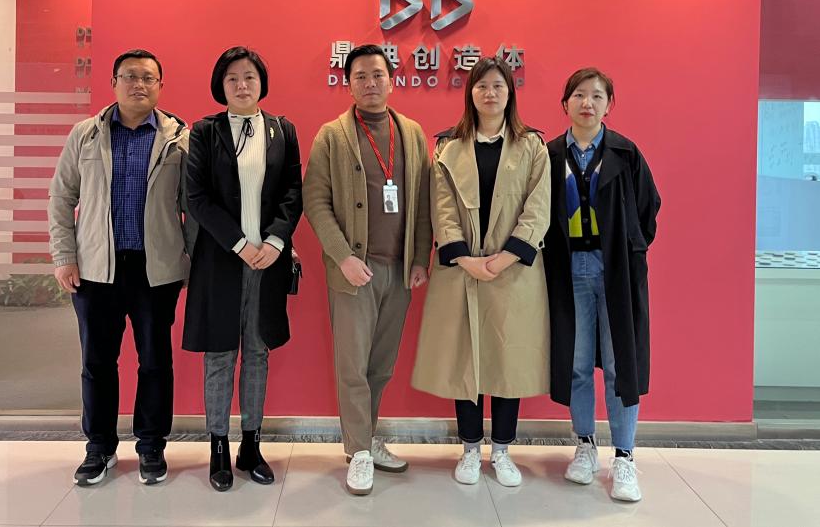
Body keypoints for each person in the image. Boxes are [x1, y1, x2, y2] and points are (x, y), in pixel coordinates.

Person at [49, 49, 195, 486]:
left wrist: (191, 261)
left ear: (160, 86)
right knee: (97, 362)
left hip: (156, 270)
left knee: (155, 361)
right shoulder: (86, 135)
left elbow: (192, 207)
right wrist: (64, 256)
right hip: (97, 270)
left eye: (148, 77)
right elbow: (61, 197)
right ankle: (99, 447)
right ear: (114, 83)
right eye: (130, 76)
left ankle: (151, 446)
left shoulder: (179, 139)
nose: (139, 84)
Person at [411, 56, 551, 487]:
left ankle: (503, 451)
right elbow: (441, 207)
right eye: (481, 86)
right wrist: (466, 258)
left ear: (510, 94)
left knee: (508, 361)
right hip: (463, 270)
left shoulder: (532, 146)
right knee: (465, 360)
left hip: (514, 272)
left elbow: (538, 208)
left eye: (498, 86)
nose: (490, 93)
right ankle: (470, 448)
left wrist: (504, 258)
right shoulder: (448, 147)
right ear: (470, 93)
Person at [303, 44, 432, 496]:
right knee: (352, 365)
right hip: (354, 270)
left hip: (399, 270)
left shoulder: (411, 133)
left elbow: (423, 200)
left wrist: (420, 257)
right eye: (360, 76)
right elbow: (315, 201)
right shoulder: (332, 136)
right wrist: (343, 256)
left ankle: (368, 437)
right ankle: (358, 451)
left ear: (391, 80)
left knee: (381, 365)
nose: (370, 83)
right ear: (348, 84)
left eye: (377, 74)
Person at [182, 46, 303, 491]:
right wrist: (238, 244)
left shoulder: (282, 130)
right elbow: (196, 198)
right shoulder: (204, 131)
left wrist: (274, 241)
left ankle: (251, 445)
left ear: (261, 82)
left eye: (249, 76)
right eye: (232, 77)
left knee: (257, 352)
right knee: (219, 354)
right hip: (221, 261)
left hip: (268, 262)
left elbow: (293, 192)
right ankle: (218, 446)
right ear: (221, 85)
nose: (242, 84)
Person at [542, 67, 661, 502]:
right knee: (576, 364)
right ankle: (585, 446)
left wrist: (627, 249)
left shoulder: (625, 153)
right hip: (569, 269)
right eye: (578, 95)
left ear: (609, 104)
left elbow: (648, 208)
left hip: (615, 272)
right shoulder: (550, 155)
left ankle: (624, 457)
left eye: (596, 95)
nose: (587, 103)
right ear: (565, 104)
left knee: (618, 364)